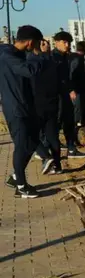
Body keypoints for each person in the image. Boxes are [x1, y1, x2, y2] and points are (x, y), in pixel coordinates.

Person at [0, 26, 44, 198]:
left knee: (33, 142)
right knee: (21, 145)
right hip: (15, 108)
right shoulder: (8, 57)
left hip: (26, 105)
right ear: (31, 42)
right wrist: (37, 54)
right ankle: (21, 186)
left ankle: (15, 176)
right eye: (38, 43)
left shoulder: (13, 53)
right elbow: (29, 70)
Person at [30, 36, 65, 176]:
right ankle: (57, 166)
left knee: (31, 135)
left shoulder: (32, 62)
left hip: (36, 104)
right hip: (52, 103)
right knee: (52, 136)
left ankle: (46, 157)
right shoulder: (52, 62)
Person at [51, 33, 85, 158]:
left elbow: (68, 77)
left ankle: (71, 148)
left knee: (69, 122)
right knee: (57, 122)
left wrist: (71, 89)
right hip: (57, 96)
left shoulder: (66, 57)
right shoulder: (52, 57)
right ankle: (50, 150)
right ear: (56, 42)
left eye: (69, 43)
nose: (67, 45)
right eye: (64, 42)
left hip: (66, 95)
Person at [71, 41, 85, 129]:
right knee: (78, 110)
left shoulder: (84, 59)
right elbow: (72, 75)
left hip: (83, 89)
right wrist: (72, 89)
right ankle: (75, 130)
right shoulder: (76, 60)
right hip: (78, 90)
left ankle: (84, 127)